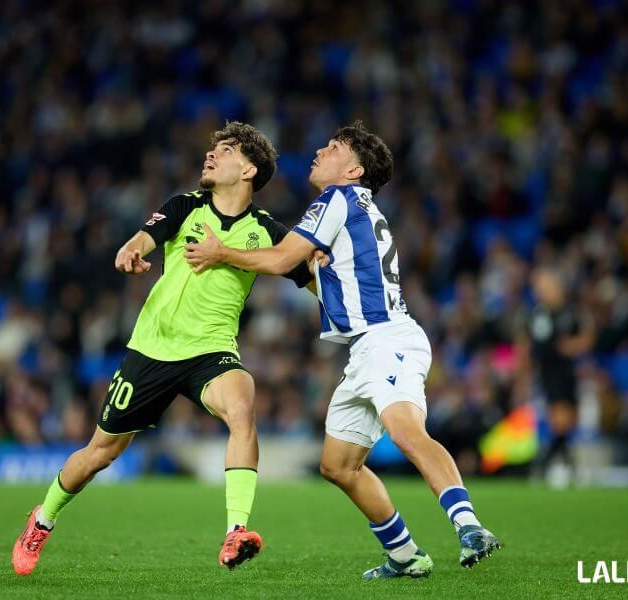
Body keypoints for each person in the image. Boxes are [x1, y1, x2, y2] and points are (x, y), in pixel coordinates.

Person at [185, 121, 501, 579]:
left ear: (353, 169)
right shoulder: (355, 208)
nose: (319, 150)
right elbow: (317, 270)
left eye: (332, 148)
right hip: (365, 348)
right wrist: (321, 269)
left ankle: (470, 526)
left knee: (407, 432)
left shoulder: (337, 199)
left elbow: (280, 259)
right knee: (338, 465)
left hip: (387, 337)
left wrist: (222, 253)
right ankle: (406, 555)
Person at [11, 122, 313, 575]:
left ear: (249, 169)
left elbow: (310, 280)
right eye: (212, 148)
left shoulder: (268, 231)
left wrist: (336, 289)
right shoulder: (185, 206)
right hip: (152, 349)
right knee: (101, 454)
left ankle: (236, 530)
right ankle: (42, 518)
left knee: (242, 405)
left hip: (210, 351)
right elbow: (144, 237)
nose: (211, 154)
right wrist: (131, 250)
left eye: (225, 150)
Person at [525, 267, 595, 484]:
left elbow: (584, 339)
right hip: (551, 372)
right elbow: (545, 346)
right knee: (561, 419)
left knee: (569, 421)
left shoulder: (569, 312)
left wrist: (572, 345)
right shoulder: (540, 316)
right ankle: (557, 465)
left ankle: (551, 463)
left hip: (569, 371)